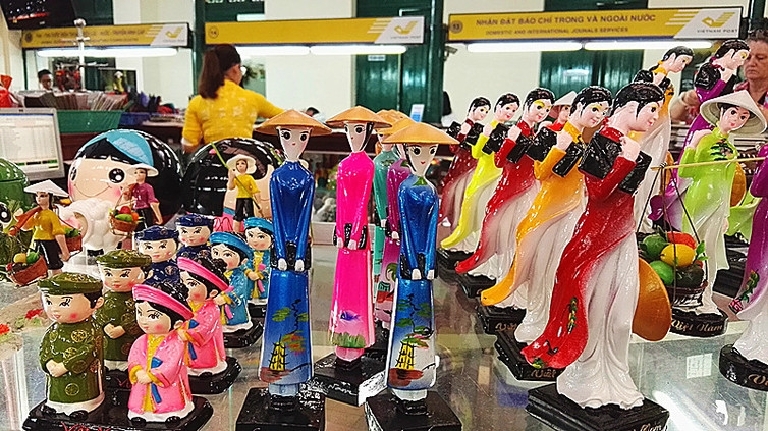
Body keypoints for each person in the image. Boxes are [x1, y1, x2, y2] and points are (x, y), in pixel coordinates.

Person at [182, 44, 283, 152]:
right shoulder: (252, 99)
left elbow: (189, 146)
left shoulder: (197, 103)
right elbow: (286, 118)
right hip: (245, 160)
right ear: (235, 69)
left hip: (214, 160)